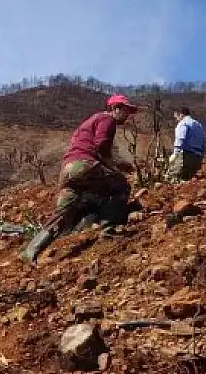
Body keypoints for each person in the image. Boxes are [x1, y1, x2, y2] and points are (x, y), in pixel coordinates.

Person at [21, 94, 138, 263]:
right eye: (126, 110)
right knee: (121, 186)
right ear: (116, 108)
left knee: (65, 213)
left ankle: (30, 251)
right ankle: (109, 230)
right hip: (85, 165)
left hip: (68, 170)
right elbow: (102, 146)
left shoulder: (89, 122)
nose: (127, 116)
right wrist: (117, 167)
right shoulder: (107, 119)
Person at [165, 107, 206, 182]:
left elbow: (180, 139)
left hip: (184, 156)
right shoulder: (198, 125)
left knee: (173, 179)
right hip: (197, 157)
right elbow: (204, 142)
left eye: (176, 116)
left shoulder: (183, 124)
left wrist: (175, 154)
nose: (176, 119)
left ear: (181, 115)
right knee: (189, 181)